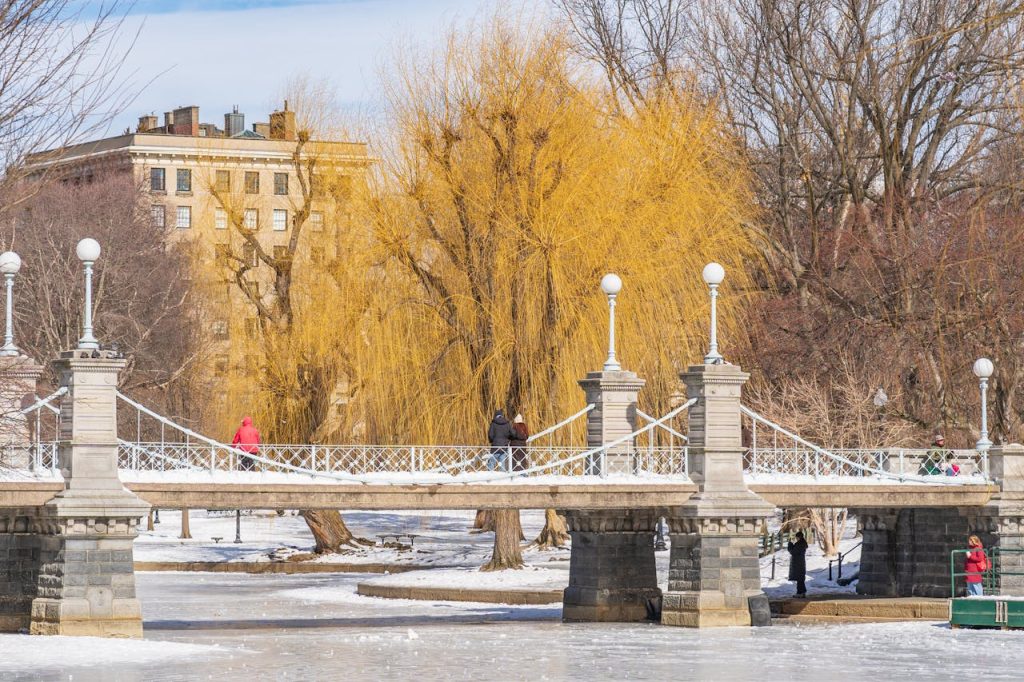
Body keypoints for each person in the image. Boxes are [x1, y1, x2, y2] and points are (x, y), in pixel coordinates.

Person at [788, 531, 808, 597]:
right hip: (800, 562)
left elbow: (793, 552)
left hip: (798, 563)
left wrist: (790, 544)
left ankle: (800, 593)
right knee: (800, 578)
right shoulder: (802, 543)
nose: (796, 539)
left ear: (799, 537)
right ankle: (802, 592)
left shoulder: (799, 544)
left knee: (799, 578)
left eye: (796, 537)